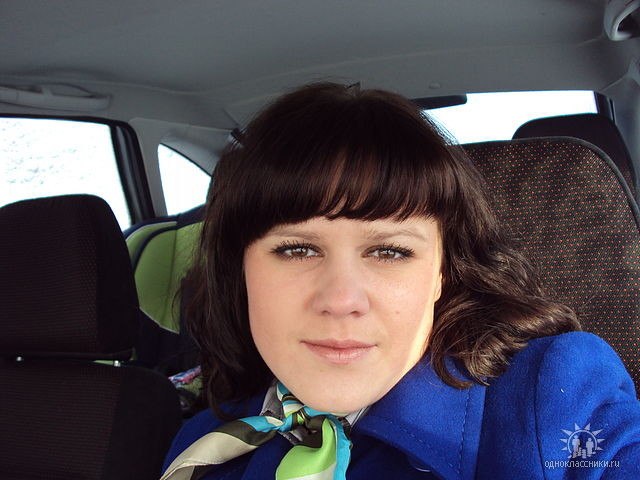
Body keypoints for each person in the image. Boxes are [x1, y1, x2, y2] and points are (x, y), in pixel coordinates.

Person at [161, 83, 640, 479]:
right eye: (297, 249)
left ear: (441, 274)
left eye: (389, 252)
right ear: (242, 270)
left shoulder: (555, 397)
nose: (342, 300)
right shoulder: (200, 446)